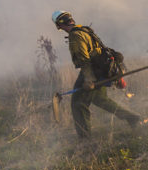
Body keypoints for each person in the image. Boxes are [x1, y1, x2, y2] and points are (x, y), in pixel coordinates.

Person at [52, 10, 140, 138]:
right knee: (100, 99)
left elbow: (84, 60)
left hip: (92, 72)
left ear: (59, 24)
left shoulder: (75, 36)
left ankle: (85, 140)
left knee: (78, 103)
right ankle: (132, 117)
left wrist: (89, 80)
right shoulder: (84, 30)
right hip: (100, 70)